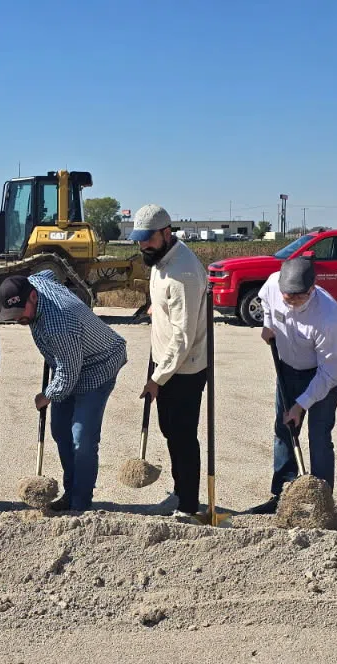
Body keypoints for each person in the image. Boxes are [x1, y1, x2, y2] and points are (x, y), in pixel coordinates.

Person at [0, 271, 128, 513]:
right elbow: (49, 272)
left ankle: (80, 503)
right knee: (60, 429)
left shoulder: (59, 325)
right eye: (12, 315)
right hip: (70, 359)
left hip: (99, 364)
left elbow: (68, 373)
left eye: (21, 313)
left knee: (82, 439)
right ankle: (71, 491)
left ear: (34, 298)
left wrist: (46, 395)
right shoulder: (34, 281)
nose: (18, 319)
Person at [248, 257, 337, 514]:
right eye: (286, 296)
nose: (291, 301)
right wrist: (268, 324)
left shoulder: (330, 318)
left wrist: (301, 405)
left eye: (299, 297)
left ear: (312, 289)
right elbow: (265, 299)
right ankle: (282, 496)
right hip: (289, 365)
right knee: (284, 429)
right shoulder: (273, 285)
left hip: (323, 373)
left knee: (319, 434)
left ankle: (321, 502)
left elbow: (329, 375)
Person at [131, 204, 208, 522]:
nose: (143, 245)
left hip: (183, 368)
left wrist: (157, 378)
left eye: (148, 239)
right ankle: (180, 493)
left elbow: (183, 337)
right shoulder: (159, 260)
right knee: (170, 431)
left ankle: (188, 505)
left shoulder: (183, 274)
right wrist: (156, 309)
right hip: (163, 361)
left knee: (182, 434)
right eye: (139, 239)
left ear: (166, 233)